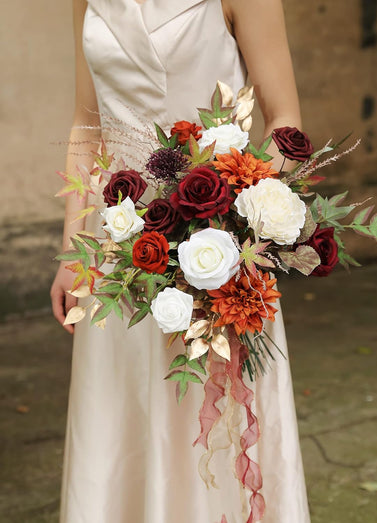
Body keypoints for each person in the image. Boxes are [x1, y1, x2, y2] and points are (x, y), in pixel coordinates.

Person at [50, 1, 310, 522]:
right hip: (119, 251)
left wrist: (242, 213)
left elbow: (287, 126)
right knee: (119, 421)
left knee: (202, 426)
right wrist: (72, 249)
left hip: (214, 246)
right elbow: (86, 123)